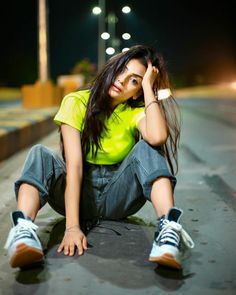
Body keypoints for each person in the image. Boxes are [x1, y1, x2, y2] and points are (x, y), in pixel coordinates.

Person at [4, 45, 194, 270]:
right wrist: (72, 227)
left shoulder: (134, 112)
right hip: (81, 195)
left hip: (118, 198)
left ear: (137, 92)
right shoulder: (76, 102)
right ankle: (23, 231)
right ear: (112, 68)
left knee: (148, 149)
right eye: (122, 70)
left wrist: (148, 88)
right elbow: (74, 167)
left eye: (134, 81)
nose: (123, 81)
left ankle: (168, 230)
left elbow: (158, 136)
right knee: (39, 154)